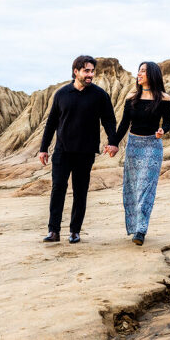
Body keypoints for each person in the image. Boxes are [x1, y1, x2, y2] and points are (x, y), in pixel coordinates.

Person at [39, 55, 119, 244]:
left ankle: (75, 231)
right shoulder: (61, 94)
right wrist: (44, 148)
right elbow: (51, 123)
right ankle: (53, 231)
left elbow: (109, 120)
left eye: (92, 71)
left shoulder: (99, 95)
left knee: (80, 192)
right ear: (76, 72)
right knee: (58, 189)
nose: (90, 74)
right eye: (86, 71)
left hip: (85, 152)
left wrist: (113, 141)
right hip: (62, 151)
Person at [106, 61, 170, 246]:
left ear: (152, 74)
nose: (139, 73)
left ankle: (141, 231)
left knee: (146, 188)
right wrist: (113, 143)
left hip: (152, 146)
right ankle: (135, 227)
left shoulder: (164, 98)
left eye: (143, 71)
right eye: (139, 70)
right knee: (132, 189)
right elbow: (124, 124)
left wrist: (162, 131)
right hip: (133, 146)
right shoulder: (132, 96)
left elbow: (168, 123)